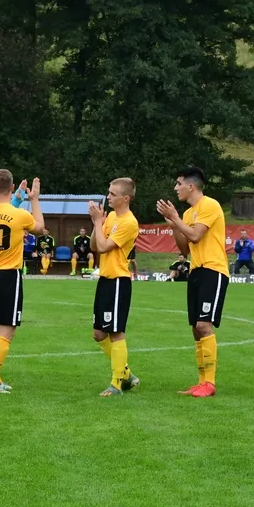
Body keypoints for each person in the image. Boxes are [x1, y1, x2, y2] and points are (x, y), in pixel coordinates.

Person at [156, 167, 228, 398]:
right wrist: (173, 223)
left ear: (191, 186)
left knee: (204, 325)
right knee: (196, 330)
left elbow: (196, 236)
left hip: (213, 270)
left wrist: (176, 219)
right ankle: (201, 382)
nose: (175, 188)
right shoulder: (188, 213)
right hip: (196, 270)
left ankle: (210, 383)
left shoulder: (210, 205)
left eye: (178, 183)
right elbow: (185, 248)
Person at [0, 171, 45, 393]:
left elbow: (3, 215)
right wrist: (34, 199)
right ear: (13, 186)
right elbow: (40, 228)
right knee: (6, 332)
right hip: (7, 277)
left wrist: (16, 199)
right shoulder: (19, 215)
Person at [89, 178, 140, 396]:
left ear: (125, 198)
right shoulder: (110, 217)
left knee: (116, 332)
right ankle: (126, 375)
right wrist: (98, 223)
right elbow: (95, 245)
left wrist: (97, 222)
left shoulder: (129, 222)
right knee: (98, 333)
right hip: (105, 279)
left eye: (112, 194)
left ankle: (117, 383)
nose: (108, 197)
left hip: (119, 281)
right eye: (108, 192)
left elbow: (104, 247)